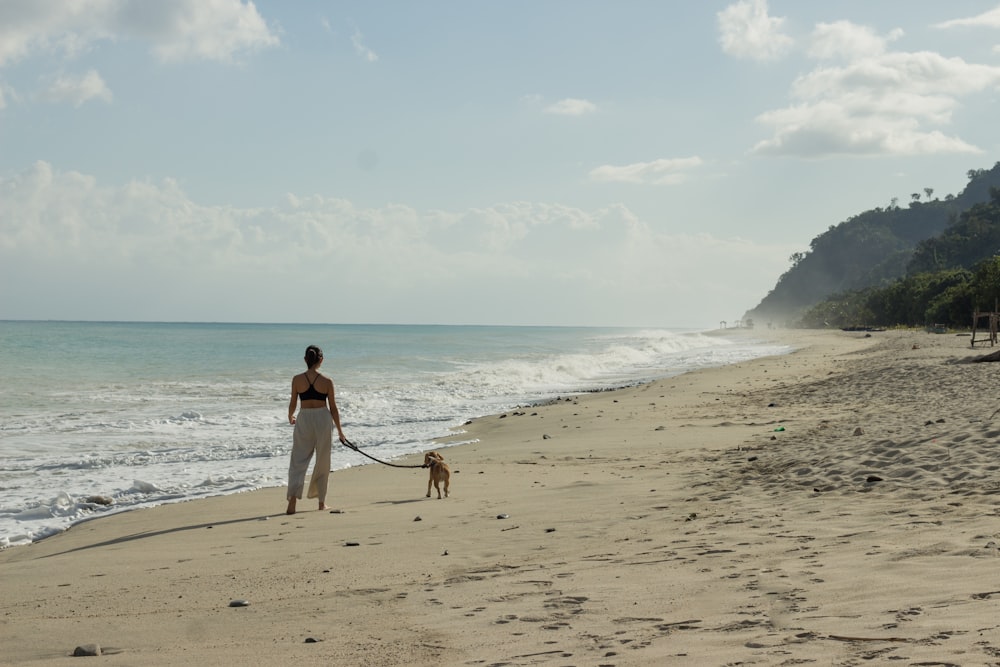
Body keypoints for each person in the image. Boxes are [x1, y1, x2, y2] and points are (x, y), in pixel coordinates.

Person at [286, 344, 348, 515]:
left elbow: (293, 402)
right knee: (323, 460)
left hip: (304, 417)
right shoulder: (327, 381)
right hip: (322, 418)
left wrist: (290, 415)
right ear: (321, 360)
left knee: (298, 460)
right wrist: (341, 431)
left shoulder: (297, 379)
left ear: (306, 359)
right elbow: (333, 408)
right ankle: (321, 502)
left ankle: (292, 502)